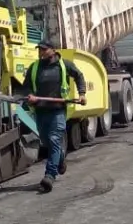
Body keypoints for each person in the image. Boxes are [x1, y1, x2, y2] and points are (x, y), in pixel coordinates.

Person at [21, 39, 87, 192]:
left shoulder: (64, 65)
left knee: (54, 139)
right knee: (47, 142)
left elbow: (79, 76)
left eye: (44, 49)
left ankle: (49, 175)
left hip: (57, 111)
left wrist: (82, 93)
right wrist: (30, 96)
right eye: (39, 50)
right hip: (40, 111)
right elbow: (26, 87)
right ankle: (60, 159)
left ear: (53, 50)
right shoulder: (34, 67)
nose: (41, 52)